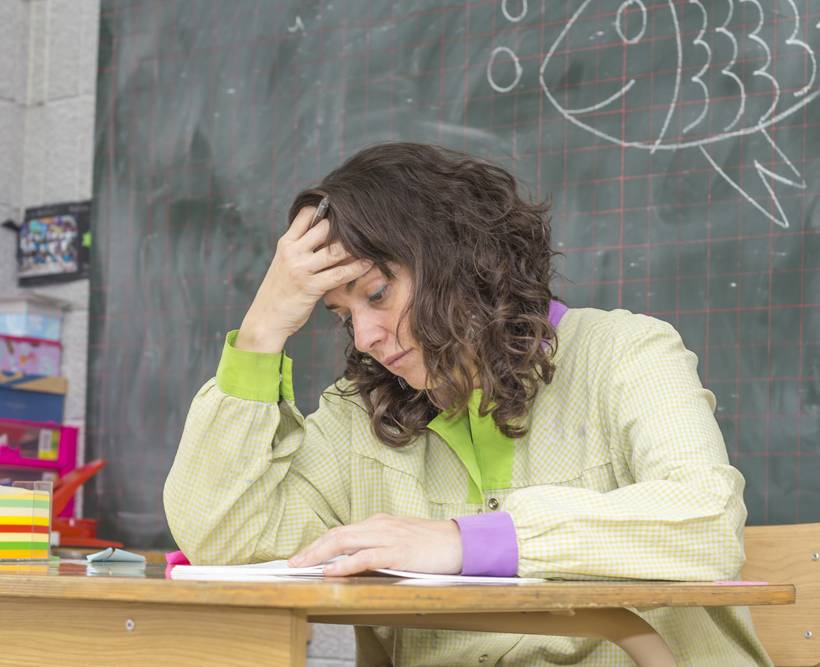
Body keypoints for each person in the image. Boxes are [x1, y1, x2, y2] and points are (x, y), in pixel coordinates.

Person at [164, 142, 771, 666]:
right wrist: (262, 330)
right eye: (342, 315)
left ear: (457, 258)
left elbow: (707, 522)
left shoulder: (625, 351)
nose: (366, 337)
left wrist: (465, 542)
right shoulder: (361, 414)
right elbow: (227, 537)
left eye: (377, 293)